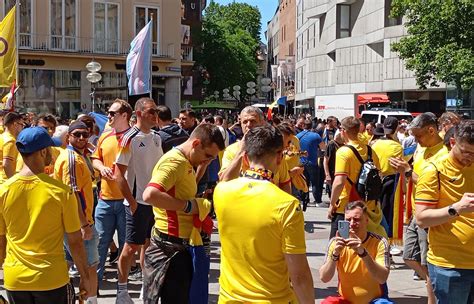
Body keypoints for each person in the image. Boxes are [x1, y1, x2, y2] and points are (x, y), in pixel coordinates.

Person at [214, 126, 314, 303]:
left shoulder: (221, 192)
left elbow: (225, 179)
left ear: (245, 156)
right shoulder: (287, 205)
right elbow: (299, 276)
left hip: (228, 299)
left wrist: (239, 153)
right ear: (280, 158)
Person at [0, 127, 92, 303]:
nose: (52, 152)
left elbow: (1, 240)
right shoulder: (62, 192)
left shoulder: (3, 190)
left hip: (15, 279)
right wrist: (85, 278)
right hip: (51, 279)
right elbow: (75, 241)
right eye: (49, 149)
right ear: (43, 152)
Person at [142, 124, 225, 304]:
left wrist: (201, 168)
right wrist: (190, 206)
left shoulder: (186, 161)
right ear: (195, 143)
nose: (208, 160)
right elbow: (150, 195)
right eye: (207, 155)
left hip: (180, 246)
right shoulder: (174, 162)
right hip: (171, 249)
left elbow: (179, 189)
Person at [389, 112, 447, 304]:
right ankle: (434, 285)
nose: (416, 140)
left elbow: (428, 183)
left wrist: (407, 171)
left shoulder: (443, 154)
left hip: (428, 215)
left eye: (419, 136)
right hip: (416, 212)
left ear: (431, 130)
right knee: (408, 256)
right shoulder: (421, 150)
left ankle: (433, 294)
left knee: (427, 263)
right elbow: (413, 176)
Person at [415, 120, 474, 304]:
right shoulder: (434, 171)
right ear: (453, 142)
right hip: (450, 266)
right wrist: (456, 208)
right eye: (466, 152)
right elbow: (422, 219)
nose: (471, 157)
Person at [114, 98, 164, 303]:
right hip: (137, 203)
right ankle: (122, 290)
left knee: (149, 246)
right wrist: (132, 203)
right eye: (151, 111)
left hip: (154, 202)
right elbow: (118, 174)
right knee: (130, 247)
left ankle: (146, 287)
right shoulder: (129, 138)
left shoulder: (156, 137)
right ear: (139, 113)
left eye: (156, 112)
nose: (155, 115)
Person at [54, 121, 99, 304]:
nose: (81, 138)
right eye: (77, 134)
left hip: (76, 221)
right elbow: (72, 194)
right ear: (68, 137)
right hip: (78, 223)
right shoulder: (71, 158)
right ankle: (90, 300)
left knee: (81, 266)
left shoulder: (80, 156)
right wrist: (84, 225)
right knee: (88, 268)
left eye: (85, 134)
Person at [91, 99, 133, 282]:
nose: (108, 116)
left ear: (124, 115)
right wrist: (101, 168)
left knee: (126, 245)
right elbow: (95, 159)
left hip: (127, 201)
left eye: (112, 113)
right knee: (100, 243)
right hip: (105, 199)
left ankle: (122, 287)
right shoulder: (105, 136)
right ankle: (95, 285)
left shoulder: (134, 137)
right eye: (108, 112)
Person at [319, 201, 391, 304]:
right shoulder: (336, 243)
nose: (352, 224)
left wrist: (363, 253)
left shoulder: (379, 242)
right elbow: (324, 278)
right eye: (348, 220)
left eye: (357, 220)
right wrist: (335, 255)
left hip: (374, 301)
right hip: (345, 301)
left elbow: (382, 278)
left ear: (367, 221)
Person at [328, 116, 384, 239]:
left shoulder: (344, 152)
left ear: (343, 131)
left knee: (339, 243)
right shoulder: (370, 151)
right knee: (363, 243)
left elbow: (339, 181)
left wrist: (332, 203)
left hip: (346, 207)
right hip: (367, 206)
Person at [219, 106, 292, 194]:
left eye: (253, 121)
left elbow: (285, 184)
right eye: (245, 122)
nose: (248, 125)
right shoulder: (231, 151)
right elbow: (224, 182)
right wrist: (240, 152)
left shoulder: (274, 149)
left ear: (262, 123)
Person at [371, 117, 403, 237]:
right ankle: (388, 236)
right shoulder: (397, 147)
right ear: (396, 129)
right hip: (391, 181)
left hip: (375, 180)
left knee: (377, 209)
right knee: (389, 211)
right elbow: (399, 166)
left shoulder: (374, 144)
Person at [297, 120, 326, 208]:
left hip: (301, 162)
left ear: (303, 126)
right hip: (312, 162)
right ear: (312, 126)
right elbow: (323, 147)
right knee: (315, 182)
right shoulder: (316, 136)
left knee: (303, 182)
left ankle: (303, 200)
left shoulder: (298, 136)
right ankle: (317, 201)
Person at [0, 112, 24, 184]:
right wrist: (13, 183)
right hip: (4, 182)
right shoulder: (10, 141)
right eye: (21, 125)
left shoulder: (2, 137)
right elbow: (6, 164)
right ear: (15, 124)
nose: (22, 128)